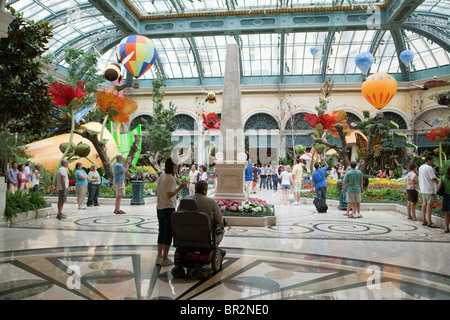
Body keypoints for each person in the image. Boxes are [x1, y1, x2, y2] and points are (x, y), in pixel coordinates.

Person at [155, 157, 187, 267]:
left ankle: (159, 257)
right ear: (172, 166)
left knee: (161, 232)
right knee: (168, 233)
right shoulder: (171, 179)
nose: (176, 167)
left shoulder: (161, 177)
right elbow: (169, 195)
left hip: (159, 207)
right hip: (168, 208)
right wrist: (180, 188)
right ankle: (165, 258)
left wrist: (173, 194)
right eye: (176, 165)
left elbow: (157, 192)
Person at [186, 180, 225, 245]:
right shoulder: (211, 202)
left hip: (186, 234)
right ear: (206, 191)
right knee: (221, 229)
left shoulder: (185, 199)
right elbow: (219, 220)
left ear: (195, 189)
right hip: (205, 236)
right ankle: (214, 248)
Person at [418, 155, 439, 228]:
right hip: (429, 189)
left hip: (423, 189)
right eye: (432, 160)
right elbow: (433, 178)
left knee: (424, 203)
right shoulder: (429, 168)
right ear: (429, 160)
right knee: (429, 205)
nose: (433, 162)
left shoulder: (421, 167)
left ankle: (424, 220)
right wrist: (439, 184)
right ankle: (429, 222)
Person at [437, 166, 450, 233]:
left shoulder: (443, 178)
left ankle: (447, 228)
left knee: (447, 213)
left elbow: (438, 187)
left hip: (446, 197)